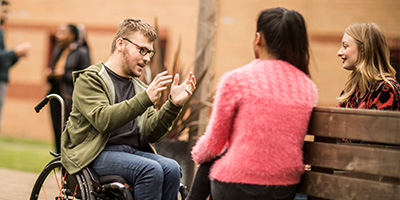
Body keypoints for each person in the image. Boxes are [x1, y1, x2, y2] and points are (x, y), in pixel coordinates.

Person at [187, 7, 318, 200]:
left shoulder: (236, 79)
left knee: (210, 159)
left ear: (259, 39)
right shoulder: (308, 86)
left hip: (237, 187)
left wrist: (197, 155)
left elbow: (213, 144)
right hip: (284, 188)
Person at [60, 17, 196, 200]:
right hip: (94, 154)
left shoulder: (140, 89)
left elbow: (151, 134)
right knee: (151, 170)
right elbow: (103, 120)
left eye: (150, 53)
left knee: (172, 168)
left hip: (132, 153)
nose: (147, 58)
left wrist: (173, 105)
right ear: (121, 44)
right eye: (142, 50)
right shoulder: (91, 79)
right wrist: (145, 99)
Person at [336, 23, 400, 144]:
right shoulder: (350, 91)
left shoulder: (386, 90)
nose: (339, 53)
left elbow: (376, 146)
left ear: (364, 49)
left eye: (345, 46)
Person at [46, 23, 91, 153]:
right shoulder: (58, 50)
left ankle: (68, 162)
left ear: (72, 35)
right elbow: (54, 70)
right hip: (55, 95)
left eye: (62, 32)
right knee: (57, 129)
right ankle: (58, 160)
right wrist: (50, 74)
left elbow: (85, 76)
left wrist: (64, 74)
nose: (58, 35)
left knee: (69, 131)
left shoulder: (82, 52)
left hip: (70, 98)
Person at [0, 0, 30, 129]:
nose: (6, 15)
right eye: (4, 11)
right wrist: (15, 52)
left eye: (8, 12)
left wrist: (17, 56)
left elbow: (4, 63)